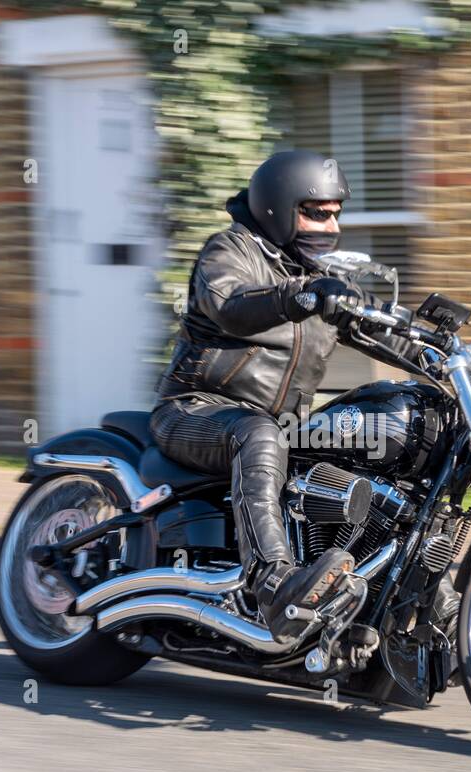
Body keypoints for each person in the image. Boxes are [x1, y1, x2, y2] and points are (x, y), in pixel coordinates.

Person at [150, 149, 417, 639]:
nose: (330, 225)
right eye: (316, 213)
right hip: (195, 410)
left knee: (382, 446)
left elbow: (390, 336)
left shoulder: (323, 278)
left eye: (336, 214)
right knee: (260, 433)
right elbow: (230, 304)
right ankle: (272, 584)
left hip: (281, 426)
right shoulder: (229, 251)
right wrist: (299, 296)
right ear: (278, 206)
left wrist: (454, 353)